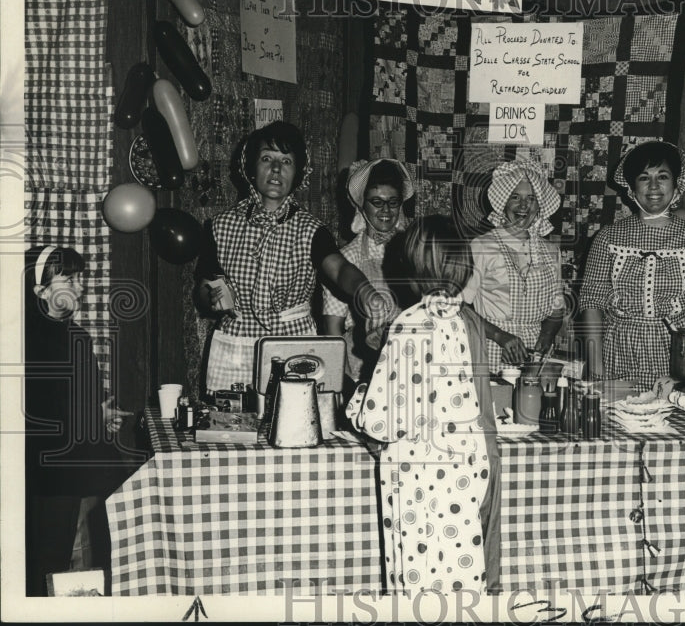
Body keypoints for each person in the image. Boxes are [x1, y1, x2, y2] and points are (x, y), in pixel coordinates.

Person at [346, 215, 500, 594]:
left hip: (422, 483)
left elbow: (383, 423)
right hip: (466, 474)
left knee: (418, 579)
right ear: (463, 269)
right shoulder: (466, 321)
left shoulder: (409, 324)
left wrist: (355, 403)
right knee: (460, 573)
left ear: (411, 273)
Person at [193, 121, 389, 393]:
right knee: (233, 429)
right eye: (266, 159)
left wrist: (364, 290)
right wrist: (210, 297)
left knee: (293, 424)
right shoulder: (221, 226)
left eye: (286, 161)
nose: (276, 169)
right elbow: (205, 285)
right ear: (251, 168)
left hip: (292, 346)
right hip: (235, 346)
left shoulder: (311, 230)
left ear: (297, 173)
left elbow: (340, 269)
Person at [24, 245, 136, 595]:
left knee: (89, 556)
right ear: (39, 289)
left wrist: (102, 415)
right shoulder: (28, 340)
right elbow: (41, 412)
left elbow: (82, 398)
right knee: (57, 558)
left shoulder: (75, 336)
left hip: (82, 460)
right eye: (68, 279)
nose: (79, 286)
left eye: (80, 278)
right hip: (54, 470)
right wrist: (94, 416)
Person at [578, 141, 685, 388]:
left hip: (673, 354)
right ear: (632, 187)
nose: (654, 186)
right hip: (615, 351)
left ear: (676, 184)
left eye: (662, 176)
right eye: (644, 178)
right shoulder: (608, 238)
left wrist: (682, 370)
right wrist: (596, 365)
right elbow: (592, 302)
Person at [462, 159, 566, 373]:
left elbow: (557, 308)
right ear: (502, 202)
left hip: (534, 355)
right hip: (490, 346)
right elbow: (459, 307)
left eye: (531, 199)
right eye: (515, 197)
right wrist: (500, 336)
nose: (523, 206)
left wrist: (546, 336)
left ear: (540, 205)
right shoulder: (483, 246)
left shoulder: (550, 251)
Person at [322, 158, 413, 391]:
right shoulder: (347, 257)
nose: (386, 211)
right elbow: (333, 331)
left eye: (393, 202)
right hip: (362, 369)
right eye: (377, 202)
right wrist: (338, 384)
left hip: (411, 362)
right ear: (362, 205)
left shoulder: (413, 250)